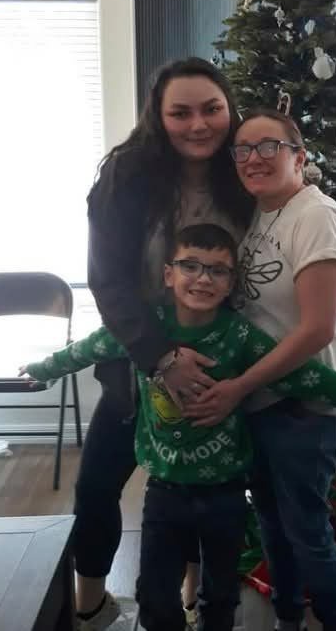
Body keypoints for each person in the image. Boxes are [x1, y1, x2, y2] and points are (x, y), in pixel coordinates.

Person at [22, 223, 336, 631]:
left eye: (217, 270)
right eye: (190, 266)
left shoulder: (240, 335)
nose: (203, 278)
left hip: (224, 494)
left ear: (231, 283)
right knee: (154, 594)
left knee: (220, 597)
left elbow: (309, 376)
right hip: (164, 491)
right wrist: (42, 369)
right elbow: (88, 348)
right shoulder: (144, 331)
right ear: (168, 274)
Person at [182, 110, 336, 631]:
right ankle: (288, 620)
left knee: (307, 533)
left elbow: (315, 329)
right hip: (260, 402)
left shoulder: (316, 216)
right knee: (271, 522)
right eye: (242, 150)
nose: (253, 158)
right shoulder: (259, 215)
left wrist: (238, 387)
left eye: (268, 146)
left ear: (300, 156)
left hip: (303, 408)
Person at [74, 58, 254, 631]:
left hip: (219, 361)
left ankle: (194, 603)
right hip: (136, 360)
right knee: (96, 485)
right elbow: (108, 281)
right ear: (158, 115)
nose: (198, 124)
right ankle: (89, 605)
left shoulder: (246, 170)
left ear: (229, 110)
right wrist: (161, 357)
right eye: (181, 112)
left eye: (211, 109)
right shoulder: (125, 176)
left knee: (202, 487)